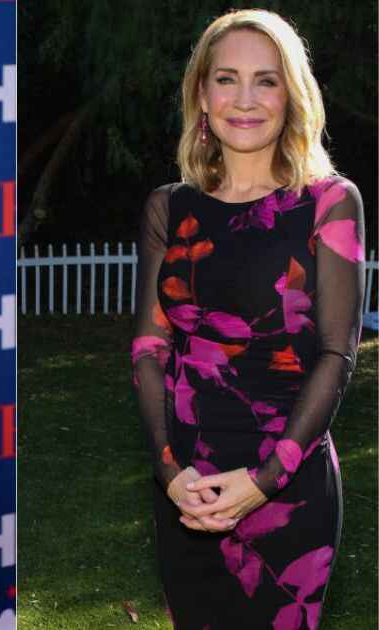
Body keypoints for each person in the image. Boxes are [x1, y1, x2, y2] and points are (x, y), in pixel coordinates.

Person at [131, 9, 364, 629]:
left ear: (292, 95)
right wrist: (168, 469)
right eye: (226, 78)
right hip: (186, 490)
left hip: (288, 488)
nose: (245, 99)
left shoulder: (329, 202)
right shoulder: (168, 207)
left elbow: (338, 353)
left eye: (266, 80)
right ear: (201, 95)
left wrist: (265, 480)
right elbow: (149, 348)